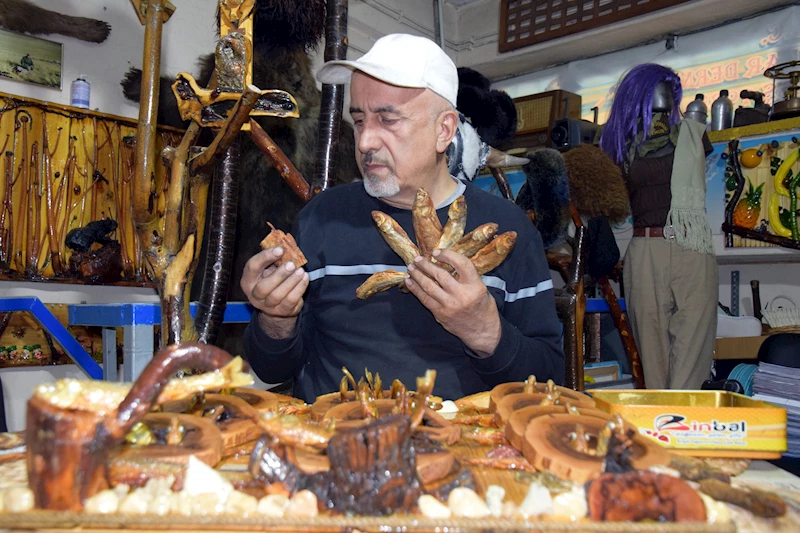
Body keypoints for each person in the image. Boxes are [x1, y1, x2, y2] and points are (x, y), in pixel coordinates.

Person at [241, 34, 564, 402]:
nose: (364, 142)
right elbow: (273, 370)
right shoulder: (321, 218)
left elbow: (551, 378)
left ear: (444, 130)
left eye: (387, 120)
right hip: (334, 440)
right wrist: (275, 319)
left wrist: (485, 331)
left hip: (462, 446)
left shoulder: (506, 231)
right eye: (360, 120)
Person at [599, 64, 718, 390]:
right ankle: (661, 431)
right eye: (661, 86)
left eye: (671, 88)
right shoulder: (619, 148)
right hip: (645, 249)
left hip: (691, 246)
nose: (666, 94)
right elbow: (612, 205)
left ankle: (683, 425)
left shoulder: (693, 134)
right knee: (652, 362)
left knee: (692, 353)